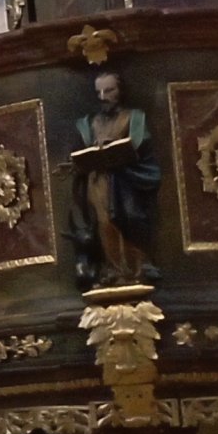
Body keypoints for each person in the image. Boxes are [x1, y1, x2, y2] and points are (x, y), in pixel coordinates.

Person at [70, 68, 161, 287]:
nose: (103, 97)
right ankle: (114, 270)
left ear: (120, 91)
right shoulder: (90, 122)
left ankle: (138, 269)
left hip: (127, 179)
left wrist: (115, 146)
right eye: (99, 92)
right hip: (99, 181)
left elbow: (140, 144)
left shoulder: (134, 117)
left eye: (109, 91)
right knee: (105, 224)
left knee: (130, 217)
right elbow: (80, 149)